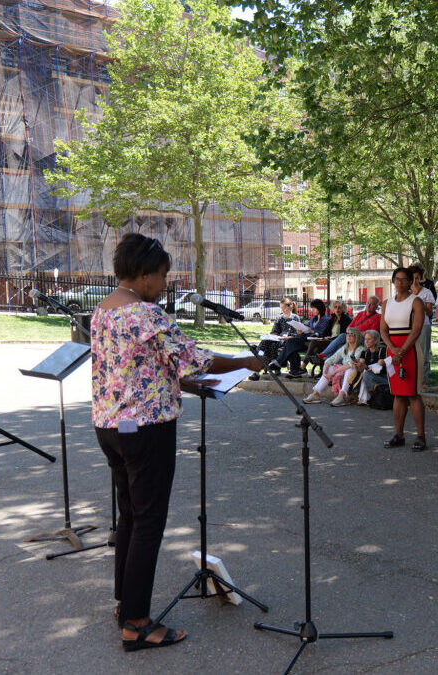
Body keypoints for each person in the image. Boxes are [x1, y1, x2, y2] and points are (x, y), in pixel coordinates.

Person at [92, 233, 263, 651]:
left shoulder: (104, 309)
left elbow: (137, 365)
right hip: (146, 430)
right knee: (148, 522)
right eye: (163, 276)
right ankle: (136, 624)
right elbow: (195, 357)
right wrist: (246, 361)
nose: (165, 284)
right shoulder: (146, 313)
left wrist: (179, 382)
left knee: (130, 516)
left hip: (110, 426)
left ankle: (126, 604)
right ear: (144, 275)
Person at [380, 267, 428, 450]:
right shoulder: (386, 303)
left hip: (410, 350)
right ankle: (398, 435)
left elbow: (416, 330)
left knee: (413, 394)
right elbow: (383, 330)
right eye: (397, 279)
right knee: (398, 394)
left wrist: (401, 352)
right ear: (393, 281)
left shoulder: (416, 301)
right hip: (393, 350)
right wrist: (393, 350)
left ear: (410, 281)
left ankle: (421, 436)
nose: (400, 283)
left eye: (404, 279)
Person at [304, 327, 363, 405]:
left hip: (356, 372)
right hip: (343, 370)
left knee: (350, 369)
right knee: (330, 368)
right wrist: (325, 372)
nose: (348, 336)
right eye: (347, 334)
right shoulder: (345, 348)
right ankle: (316, 394)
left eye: (352, 334)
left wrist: (334, 372)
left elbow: (350, 364)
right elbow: (330, 360)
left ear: (357, 337)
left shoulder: (360, 349)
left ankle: (342, 395)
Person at [316, 296, 380, 365]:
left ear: (376, 306)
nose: (368, 305)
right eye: (368, 303)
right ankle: (328, 362)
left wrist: (356, 333)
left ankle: (323, 357)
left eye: (371, 304)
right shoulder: (360, 314)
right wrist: (354, 332)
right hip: (352, 336)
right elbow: (349, 328)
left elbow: (371, 334)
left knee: (343, 336)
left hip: (363, 339)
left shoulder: (378, 317)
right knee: (342, 345)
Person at [258, 298, 301, 375]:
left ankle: (273, 367)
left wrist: (284, 338)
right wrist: (275, 336)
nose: (283, 310)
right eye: (281, 308)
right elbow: (274, 331)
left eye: (284, 307)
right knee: (266, 342)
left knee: (272, 344)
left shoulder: (295, 318)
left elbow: (296, 334)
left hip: (288, 341)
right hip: (278, 339)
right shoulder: (279, 318)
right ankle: (259, 357)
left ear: (290, 306)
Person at [410, 264, 436, 384]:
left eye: (417, 278)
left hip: (423, 326)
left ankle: (423, 381)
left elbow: (430, 313)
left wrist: (421, 304)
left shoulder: (427, 292)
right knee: (410, 355)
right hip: (408, 327)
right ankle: (411, 381)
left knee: (423, 355)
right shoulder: (406, 292)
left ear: (420, 278)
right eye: (412, 278)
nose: (415, 281)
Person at [356, 330, 390, 405]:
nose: (366, 341)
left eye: (369, 339)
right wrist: (358, 366)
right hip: (372, 377)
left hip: (385, 378)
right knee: (365, 373)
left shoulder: (383, 350)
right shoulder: (365, 352)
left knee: (366, 374)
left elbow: (381, 370)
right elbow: (361, 370)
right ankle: (366, 398)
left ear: (375, 340)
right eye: (365, 339)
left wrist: (383, 362)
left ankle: (369, 396)